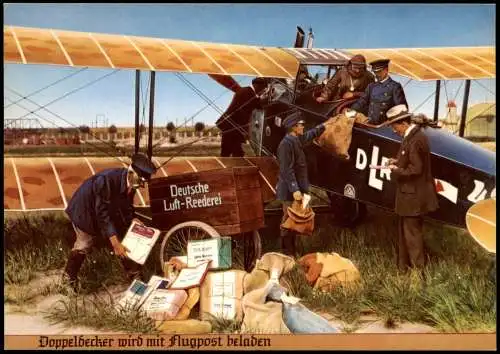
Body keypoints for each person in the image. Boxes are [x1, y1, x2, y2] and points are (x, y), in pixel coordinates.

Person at [62, 153, 157, 291]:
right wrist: (114, 242)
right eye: (140, 181)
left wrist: (132, 219)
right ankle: (67, 280)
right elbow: (102, 214)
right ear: (132, 173)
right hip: (84, 211)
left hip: (102, 211)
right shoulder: (105, 180)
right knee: (85, 243)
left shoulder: (131, 183)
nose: (141, 185)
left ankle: (134, 277)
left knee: (126, 237)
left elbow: (127, 205)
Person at [385, 105, 439, 272]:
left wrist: (397, 170)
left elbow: (416, 169)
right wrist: (397, 162)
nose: (394, 131)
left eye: (394, 127)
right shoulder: (414, 136)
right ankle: (404, 268)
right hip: (410, 195)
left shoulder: (415, 139)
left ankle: (418, 272)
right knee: (406, 233)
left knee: (412, 236)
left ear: (403, 123)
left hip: (412, 196)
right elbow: (411, 161)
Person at [276, 111, 326, 256]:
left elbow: (310, 135)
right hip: (291, 191)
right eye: (301, 125)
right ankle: (287, 252)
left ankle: (293, 250)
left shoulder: (297, 139)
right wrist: (295, 189)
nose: (303, 127)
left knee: (298, 220)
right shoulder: (286, 144)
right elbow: (286, 169)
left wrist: (323, 126)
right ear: (293, 127)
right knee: (288, 220)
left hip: (300, 189)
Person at [216, 77, 268, 157]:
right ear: (257, 86)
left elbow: (255, 103)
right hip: (232, 127)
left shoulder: (245, 91)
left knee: (227, 151)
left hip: (229, 126)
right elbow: (257, 104)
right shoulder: (248, 93)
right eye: (263, 89)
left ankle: (226, 166)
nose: (262, 92)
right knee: (235, 153)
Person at [349, 59, 408, 125]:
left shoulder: (395, 86)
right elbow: (362, 101)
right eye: (375, 72)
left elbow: (401, 108)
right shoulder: (371, 86)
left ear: (386, 70)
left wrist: (390, 122)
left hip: (385, 126)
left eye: (379, 72)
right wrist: (350, 111)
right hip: (370, 124)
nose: (377, 74)